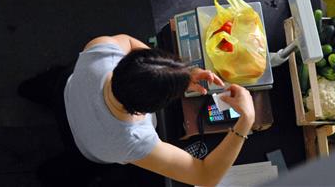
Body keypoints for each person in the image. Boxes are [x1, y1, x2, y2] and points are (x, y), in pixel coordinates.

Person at [19, 34, 255, 186]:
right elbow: (206, 176)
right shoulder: (135, 141)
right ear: (148, 111)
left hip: (66, 94)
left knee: (52, 82)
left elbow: (130, 44)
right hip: (81, 147)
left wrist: (180, 75)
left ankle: (32, 88)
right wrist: (246, 120)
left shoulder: (101, 51)